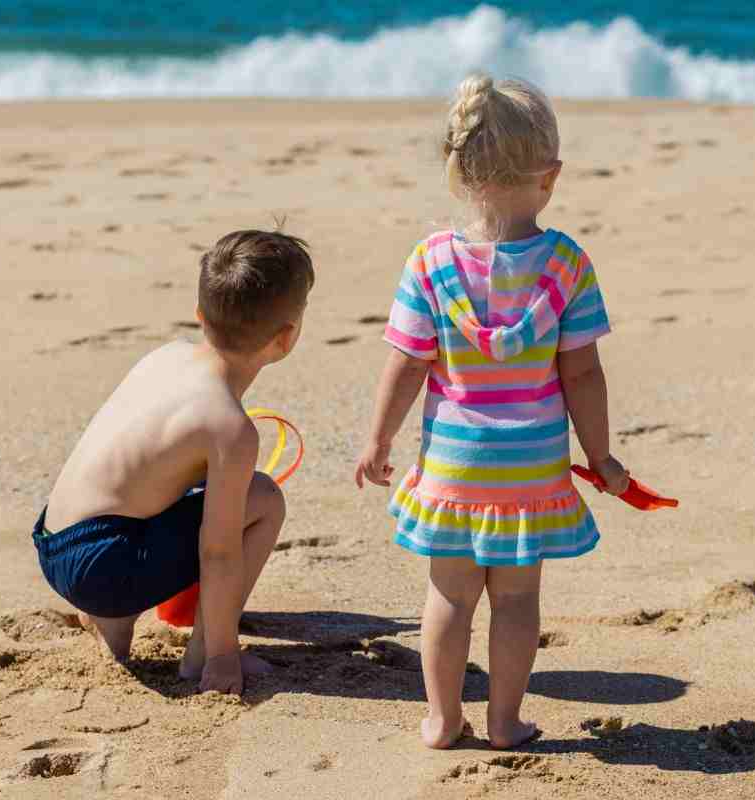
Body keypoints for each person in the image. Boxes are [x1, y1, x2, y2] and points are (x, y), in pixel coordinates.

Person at [355, 75, 629, 749]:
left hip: (453, 466)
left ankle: (444, 719)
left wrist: (378, 439)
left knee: (449, 597)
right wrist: (600, 456)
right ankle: (504, 721)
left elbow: (407, 364)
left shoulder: (431, 262)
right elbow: (583, 373)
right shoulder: (565, 264)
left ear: (459, 168)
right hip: (530, 471)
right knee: (514, 601)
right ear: (551, 175)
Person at [34, 229, 314, 695]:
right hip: (103, 567)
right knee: (263, 498)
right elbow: (219, 551)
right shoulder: (229, 427)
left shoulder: (165, 355)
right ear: (285, 339)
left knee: (179, 487)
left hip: (55, 542)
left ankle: (111, 618)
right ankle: (204, 651)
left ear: (200, 315)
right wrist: (225, 656)